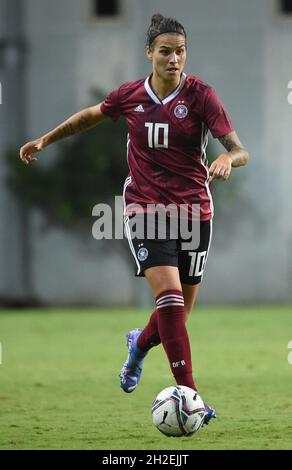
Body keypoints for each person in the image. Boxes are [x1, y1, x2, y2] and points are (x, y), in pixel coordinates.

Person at [20, 14, 249, 426]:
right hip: (144, 208)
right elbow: (89, 116)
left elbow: (238, 148)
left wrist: (227, 157)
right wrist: (46, 139)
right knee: (170, 302)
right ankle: (191, 398)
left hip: (194, 211)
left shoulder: (201, 97)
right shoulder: (130, 96)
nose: (174, 59)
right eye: (165, 51)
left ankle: (138, 346)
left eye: (180, 51)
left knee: (174, 318)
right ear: (149, 54)